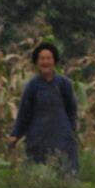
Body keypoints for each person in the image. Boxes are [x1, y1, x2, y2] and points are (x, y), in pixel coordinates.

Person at [8, 42, 79, 173]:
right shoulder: (32, 86)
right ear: (37, 62)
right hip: (38, 137)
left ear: (54, 61)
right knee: (39, 172)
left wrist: (71, 129)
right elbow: (24, 113)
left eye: (49, 58)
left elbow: (71, 109)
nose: (45, 62)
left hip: (61, 136)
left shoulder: (64, 84)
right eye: (42, 59)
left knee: (64, 171)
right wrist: (15, 134)